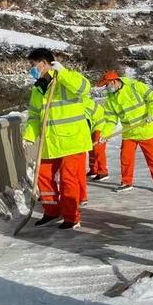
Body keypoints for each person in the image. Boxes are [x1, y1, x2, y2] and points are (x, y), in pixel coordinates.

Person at [23, 48, 93, 230]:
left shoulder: (67, 78)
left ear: (44, 63)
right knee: (43, 176)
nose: (31, 68)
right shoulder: (38, 87)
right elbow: (33, 115)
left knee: (69, 180)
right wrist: (29, 135)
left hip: (73, 140)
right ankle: (52, 211)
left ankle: (71, 217)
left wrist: (63, 74)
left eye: (33, 65)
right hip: (51, 141)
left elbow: (84, 89)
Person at [95, 71, 153, 192]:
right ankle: (126, 182)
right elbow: (110, 120)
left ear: (114, 82)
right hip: (129, 132)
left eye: (107, 85)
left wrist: (151, 114)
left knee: (152, 159)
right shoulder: (111, 99)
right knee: (125, 158)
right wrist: (104, 135)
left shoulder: (135, 86)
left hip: (146, 129)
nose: (106, 89)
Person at [85, 91, 109, 182]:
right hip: (93, 125)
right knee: (91, 148)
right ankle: (93, 170)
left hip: (100, 124)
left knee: (98, 148)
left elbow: (86, 121)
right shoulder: (78, 101)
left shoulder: (80, 103)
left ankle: (102, 171)